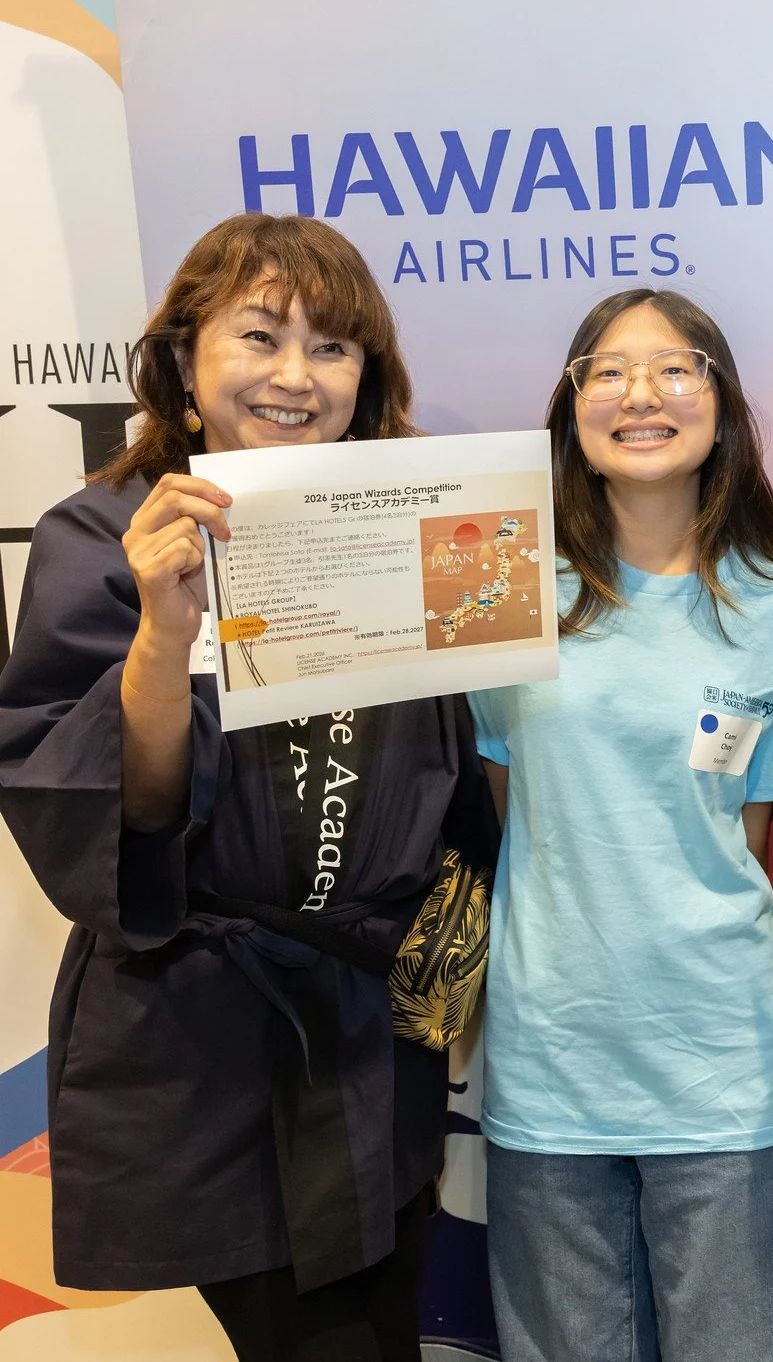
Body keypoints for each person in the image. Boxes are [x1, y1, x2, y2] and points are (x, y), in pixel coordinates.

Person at [0, 213, 496, 1360]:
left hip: (376, 1019)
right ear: (184, 361)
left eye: (332, 346)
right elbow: (124, 813)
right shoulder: (110, 536)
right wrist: (161, 635)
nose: (295, 375)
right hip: (212, 1036)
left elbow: (463, 770)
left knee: (387, 1313)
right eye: (259, 336)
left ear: (367, 376)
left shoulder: (405, 523)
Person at [471, 289, 773, 1361]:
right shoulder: (497, 587)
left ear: (721, 400)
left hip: (722, 1064)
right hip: (552, 1055)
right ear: (570, 403)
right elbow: (509, 808)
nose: (641, 395)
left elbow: (748, 834)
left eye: (675, 368)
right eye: (609, 371)